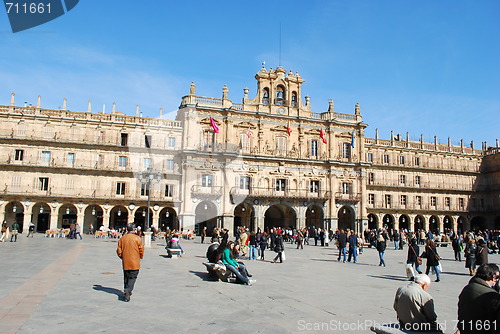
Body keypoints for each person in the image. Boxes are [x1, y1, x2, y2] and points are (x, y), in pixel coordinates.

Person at [457, 263, 500, 334]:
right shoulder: (491, 295)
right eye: (497, 277)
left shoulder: (468, 288)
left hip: (465, 328)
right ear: (493, 277)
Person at [116, 224, 144, 302]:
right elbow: (141, 249)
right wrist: (140, 256)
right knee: (133, 277)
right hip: (135, 261)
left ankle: (126, 291)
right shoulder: (137, 238)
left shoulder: (122, 239)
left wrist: (122, 257)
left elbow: (119, 250)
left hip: (126, 261)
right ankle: (128, 290)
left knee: (126, 276)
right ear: (133, 229)